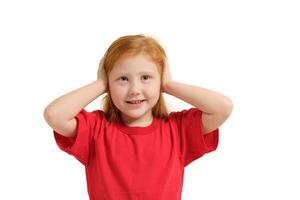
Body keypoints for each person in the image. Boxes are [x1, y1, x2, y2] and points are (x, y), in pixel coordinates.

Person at [43, 34, 233, 200]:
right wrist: (100, 84)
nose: (134, 90)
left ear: (160, 80)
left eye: (146, 77)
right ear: (109, 83)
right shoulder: (95, 129)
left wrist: (169, 85)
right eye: (123, 79)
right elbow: (54, 115)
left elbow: (222, 108)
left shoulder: (177, 129)